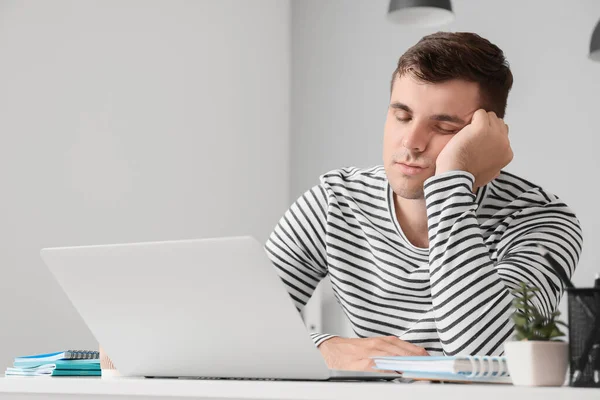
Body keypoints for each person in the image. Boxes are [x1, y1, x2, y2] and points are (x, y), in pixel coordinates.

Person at [264, 31, 583, 372]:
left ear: (484, 135)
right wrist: (323, 349)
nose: (412, 142)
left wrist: (451, 181)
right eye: (402, 116)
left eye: (443, 126)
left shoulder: (542, 221)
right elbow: (241, 329)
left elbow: (484, 353)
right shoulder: (333, 203)